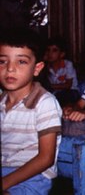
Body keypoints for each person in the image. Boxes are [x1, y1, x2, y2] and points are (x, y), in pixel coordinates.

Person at [1, 28, 62, 194]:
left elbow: (46, 158)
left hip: (33, 177)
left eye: (21, 62)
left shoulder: (45, 103)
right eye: (2, 61)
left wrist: (4, 183)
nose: (10, 69)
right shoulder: (1, 100)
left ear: (37, 68)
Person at [44, 36, 80, 106]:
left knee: (61, 96)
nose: (50, 53)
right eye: (48, 50)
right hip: (54, 91)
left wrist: (49, 86)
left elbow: (68, 85)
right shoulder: (46, 66)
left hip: (71, 91)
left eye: (54, 50)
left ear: (62, 54)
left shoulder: (68, 64)